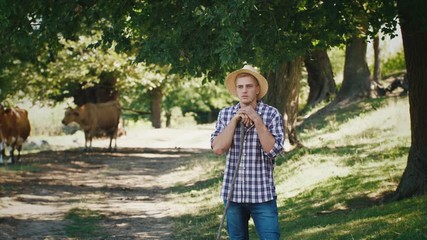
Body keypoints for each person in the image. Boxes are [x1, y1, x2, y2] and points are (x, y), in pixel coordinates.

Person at [211, 65, 284, 239]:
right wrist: (234, 120)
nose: (244, 90)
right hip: (233, 195)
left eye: (249, 86)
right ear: (236, 90)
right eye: (240, 87)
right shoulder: (225, 114)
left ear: (257, 89)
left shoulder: (271, 114)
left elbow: (273, 150)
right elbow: (218, 148)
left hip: (262, 194)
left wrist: (257, 119)